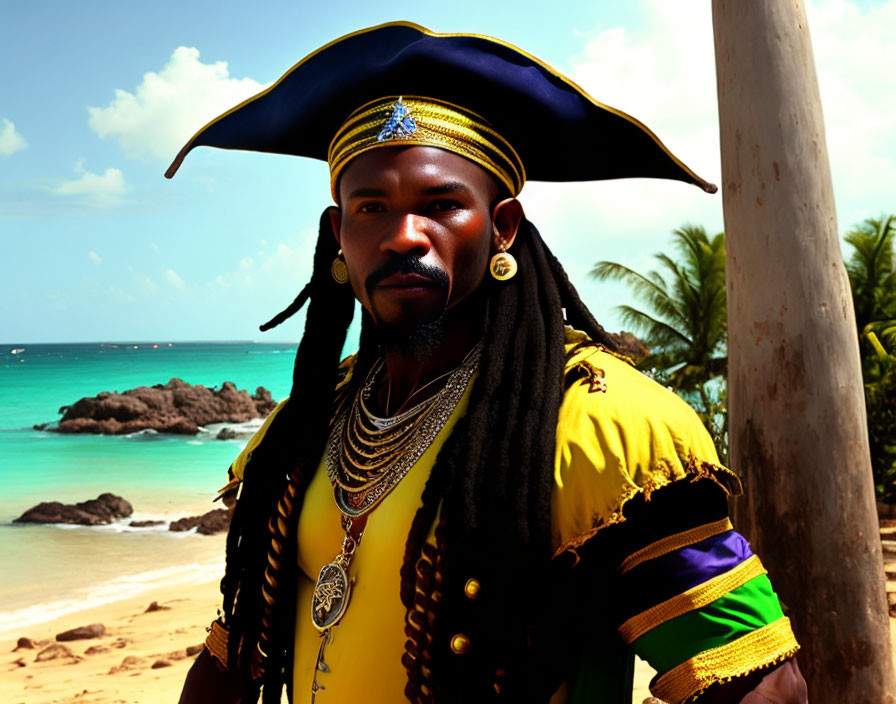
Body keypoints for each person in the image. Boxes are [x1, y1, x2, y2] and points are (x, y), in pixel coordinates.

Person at [169, 22, 808, 704]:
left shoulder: (598, 428)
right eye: (371, 208)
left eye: (441, 205)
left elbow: (764, 686)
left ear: (502, 225)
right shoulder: (309, 425)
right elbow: (240, 645)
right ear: (338, 233)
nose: (404, 234)